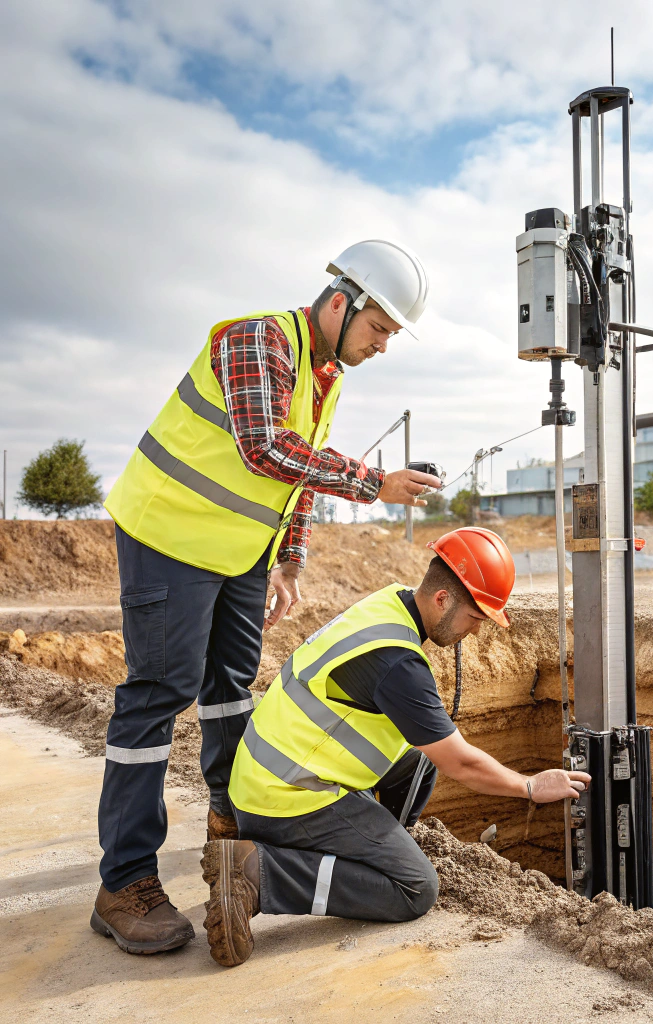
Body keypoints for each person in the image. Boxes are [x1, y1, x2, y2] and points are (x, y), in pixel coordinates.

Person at [91, 240, 443, 955]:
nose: (382, 345)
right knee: (160, 693)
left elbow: (294, 477)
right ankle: (123, 882)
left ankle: (231, 825)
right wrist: (375, 484)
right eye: (379, 328)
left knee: (230, 687)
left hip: (240, 553)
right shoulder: (258, 341)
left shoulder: (325, 374)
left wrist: (288, 559)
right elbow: (266, 448)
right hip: (169, 533)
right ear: (341, 302)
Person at [202, 527, 591, 967]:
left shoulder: (389, 605)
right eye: (475, 617)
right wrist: (529, 786)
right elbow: (462, 763)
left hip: (270, 774)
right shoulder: (397, 662)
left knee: (418, 765)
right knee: (416, 888)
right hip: (286, 797)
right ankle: (260, 872)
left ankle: (366, 853)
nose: (475, 631)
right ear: (442, 599)